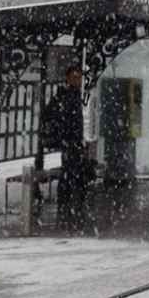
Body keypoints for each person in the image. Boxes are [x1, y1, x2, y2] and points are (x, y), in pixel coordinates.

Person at [43, 65, 87, 231]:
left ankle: (69, 205)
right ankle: (67, 205)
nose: (78, 80)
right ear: (68, 78)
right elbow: (54, 116)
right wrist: (65, 135)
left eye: (79, 77)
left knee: (72, 172)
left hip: (73, 141)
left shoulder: (73, 95)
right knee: (70, 173)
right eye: (74, 77)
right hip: (69, 142)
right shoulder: (65, 96)